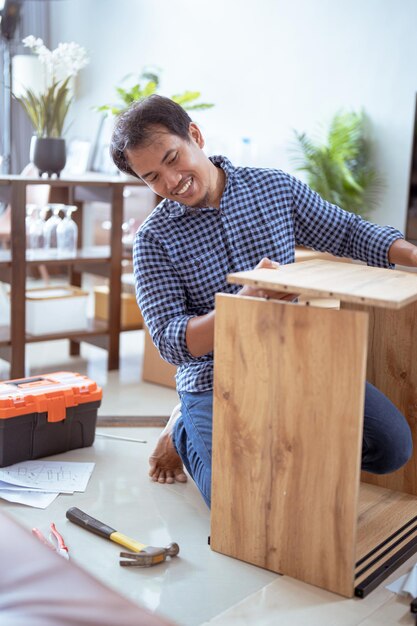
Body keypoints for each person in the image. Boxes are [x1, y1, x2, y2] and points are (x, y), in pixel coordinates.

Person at [110, 94, 416, 508]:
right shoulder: (153, 240)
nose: (170, 181)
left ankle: (287, 454)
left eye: (172, 158)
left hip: (293, 354)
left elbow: (347, 233)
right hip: (212, 377)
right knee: (239, 501)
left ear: (195, 136)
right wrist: (240, 307)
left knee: (392, 449)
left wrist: (413, 255)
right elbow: (170, 341)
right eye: (152, 177)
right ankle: (183, 428)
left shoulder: (273, 188)